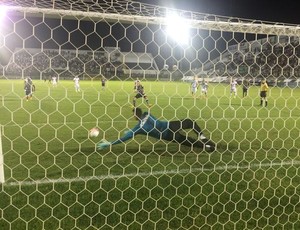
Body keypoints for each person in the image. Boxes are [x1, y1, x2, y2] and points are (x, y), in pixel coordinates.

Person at [97, 107, 215, 152]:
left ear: (134, 116)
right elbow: (149, 118)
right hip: (169, 125)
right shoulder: (147, 113)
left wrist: (110, 143)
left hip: (167, 135)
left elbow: (124, 139)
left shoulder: (138, 128)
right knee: (189, 122)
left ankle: (207, 148)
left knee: (188, 142)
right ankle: (202, 136)